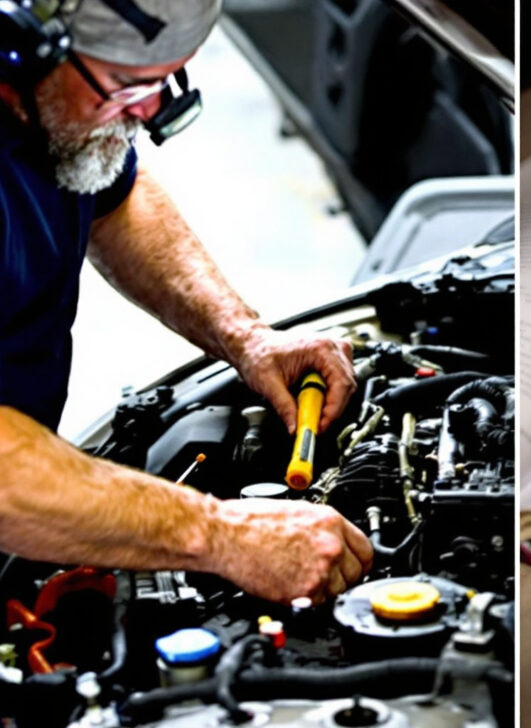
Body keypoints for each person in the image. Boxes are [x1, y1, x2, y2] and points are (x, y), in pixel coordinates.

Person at [0, 0, 372, 603]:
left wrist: (246, 337)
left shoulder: (57, 114)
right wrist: (222, 534)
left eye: (163, 82)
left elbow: (113, 195)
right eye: (126, 85)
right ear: (18, 42)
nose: (146, 113)